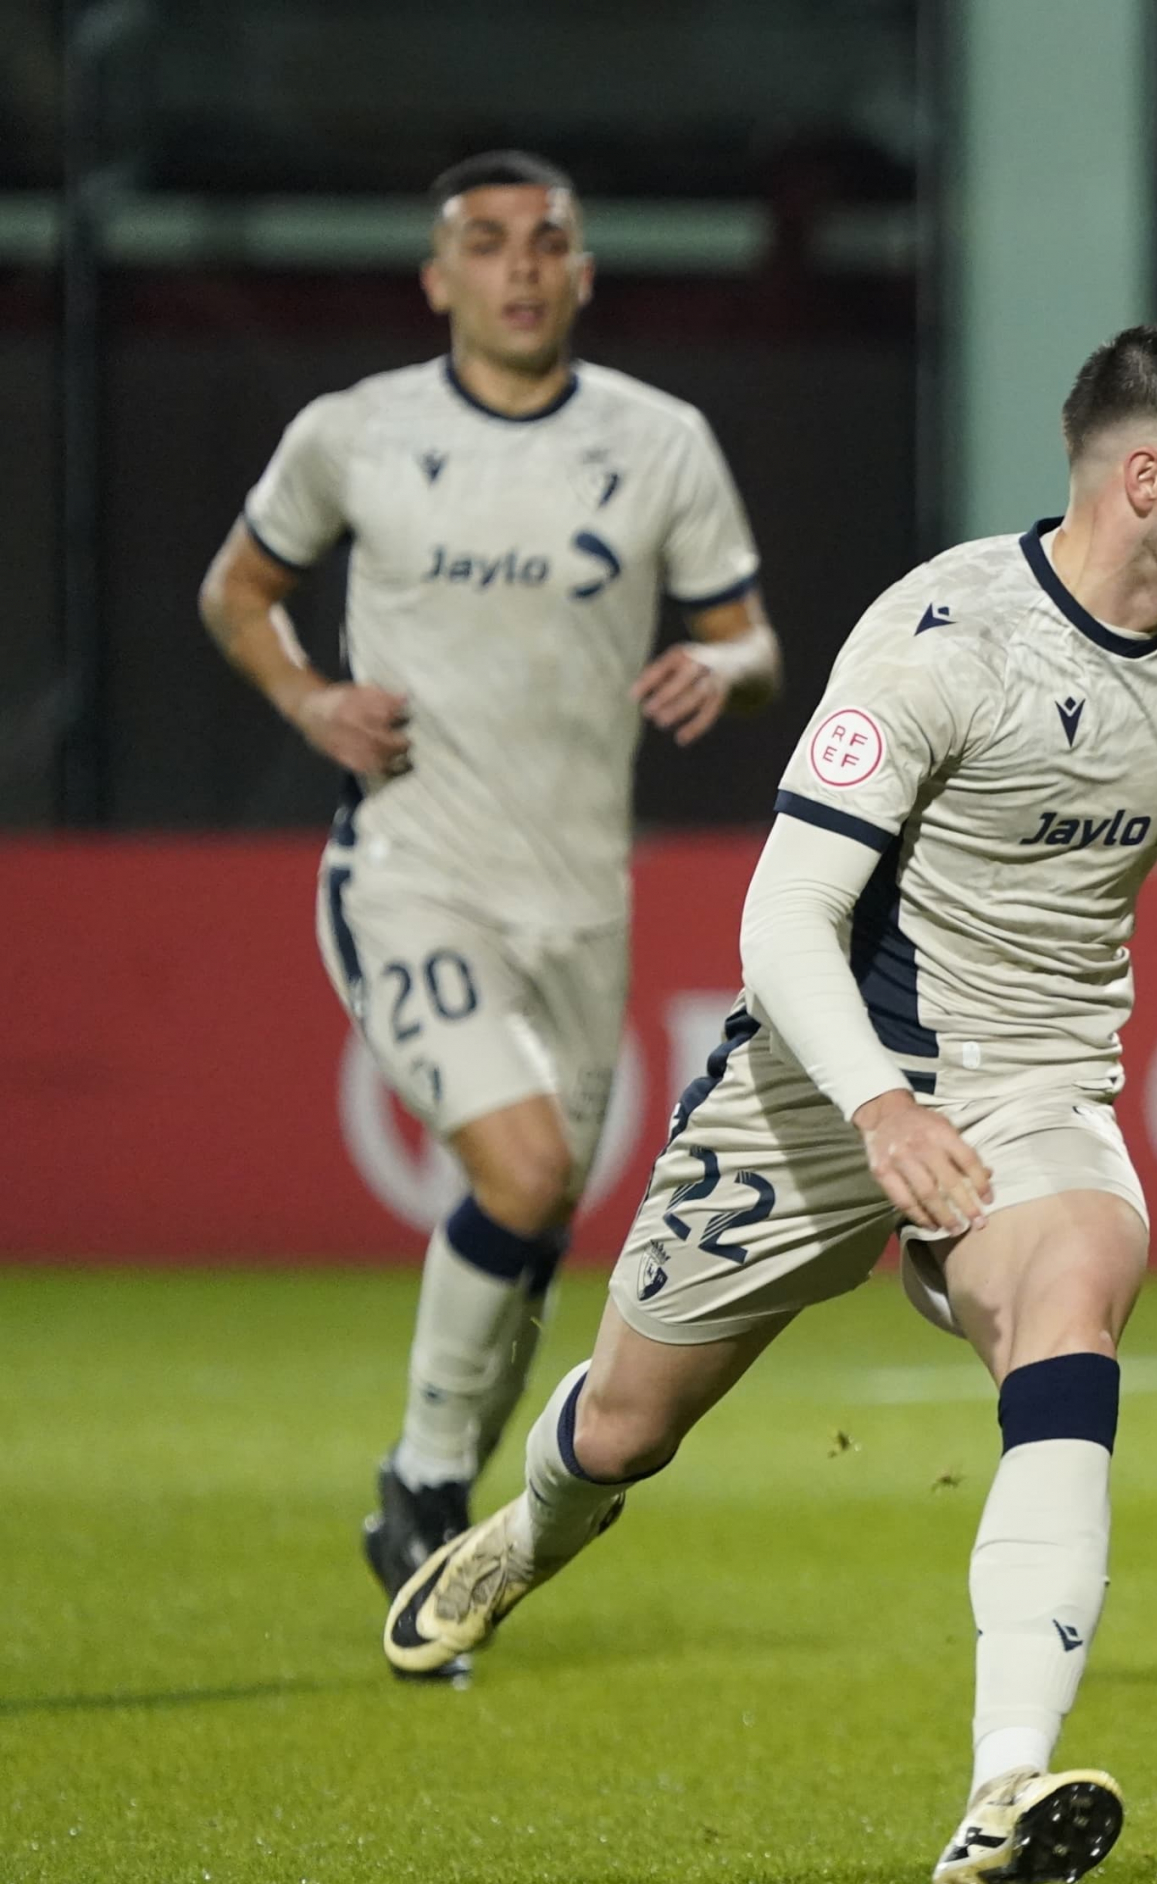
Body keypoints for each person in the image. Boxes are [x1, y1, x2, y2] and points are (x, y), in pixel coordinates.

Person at [377, 325, 1157, 1884]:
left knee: (1075, 1298)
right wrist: (876, 1106)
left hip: (1039, 1089)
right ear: (1148, 477)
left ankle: (1007, 1783)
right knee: (632, 1427)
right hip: (820, 1078)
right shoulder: (940, 641)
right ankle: (527, 1528)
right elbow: (783, 921)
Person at [197, 151, 780, 1637]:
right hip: (411, 866)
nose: (521, 267)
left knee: (538, 1228)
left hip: (579, 892)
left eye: (549, 243)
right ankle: (433, 1494)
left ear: (584, 272)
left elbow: (750, 637)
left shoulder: (658, 443)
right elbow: (237, 591)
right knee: (521, 1174)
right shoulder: (358, 434)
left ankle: (426, 1470)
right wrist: (311, 700)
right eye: (488, 243)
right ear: (436, 277)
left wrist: (714, 668)